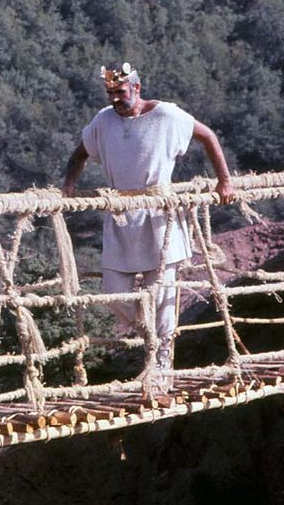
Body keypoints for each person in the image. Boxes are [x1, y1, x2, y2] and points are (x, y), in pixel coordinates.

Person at [61, 62, 235, 382]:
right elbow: (80, 153)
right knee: (114, 292)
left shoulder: (166, 115)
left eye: (121, 92)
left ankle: (162, 371)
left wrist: (224, 181)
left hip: (159, 216)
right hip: (121, 215)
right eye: (110, 92)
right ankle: (149, 334)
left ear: (137, 89)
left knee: (165, 298)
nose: (115, 98)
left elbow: (207, 135)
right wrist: (69, 186)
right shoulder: (103, 121)